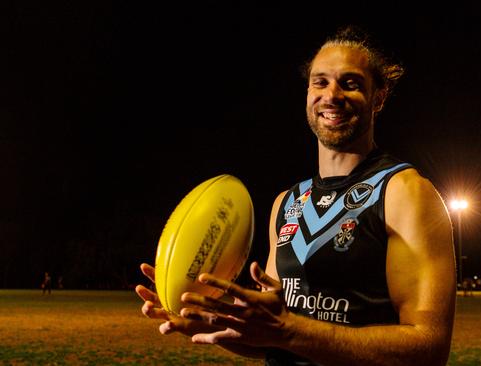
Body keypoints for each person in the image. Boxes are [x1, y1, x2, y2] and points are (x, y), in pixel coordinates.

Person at [136, 25, 456, 365]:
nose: (332, 95)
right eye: (320, 82)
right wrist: (208, 318)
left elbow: (429, 348)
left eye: (350, 83)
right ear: (307, 93)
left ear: (379, 97)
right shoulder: (287, 203)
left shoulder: (404, 192)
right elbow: (273, 339)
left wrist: (289, 332)